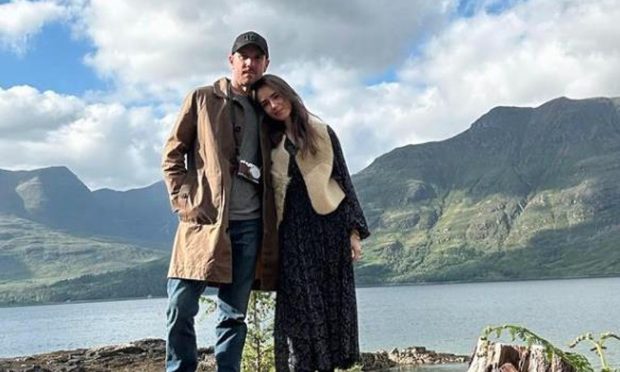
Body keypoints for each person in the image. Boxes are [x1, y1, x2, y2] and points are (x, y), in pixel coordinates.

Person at [161, 31, 278, 372]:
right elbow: (172, 153)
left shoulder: (268, 109)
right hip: (202, 224)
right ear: (231, 60)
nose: (249, 62)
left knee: (233, 314)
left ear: (265, 64)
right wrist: (184, 200)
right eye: (243, 56)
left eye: (257, 57)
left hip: (249, 226)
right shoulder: (201, 98)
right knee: (179, 306)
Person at [253, 74, 370, 372]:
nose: (273, 106)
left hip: (328, 230)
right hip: (291, 235)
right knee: (297, 316)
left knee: (330, 311)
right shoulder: (269, 142)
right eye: (265, 103)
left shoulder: (322, 132)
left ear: (288, 94)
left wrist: (354, 233)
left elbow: (343, 180)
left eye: (276, 97)